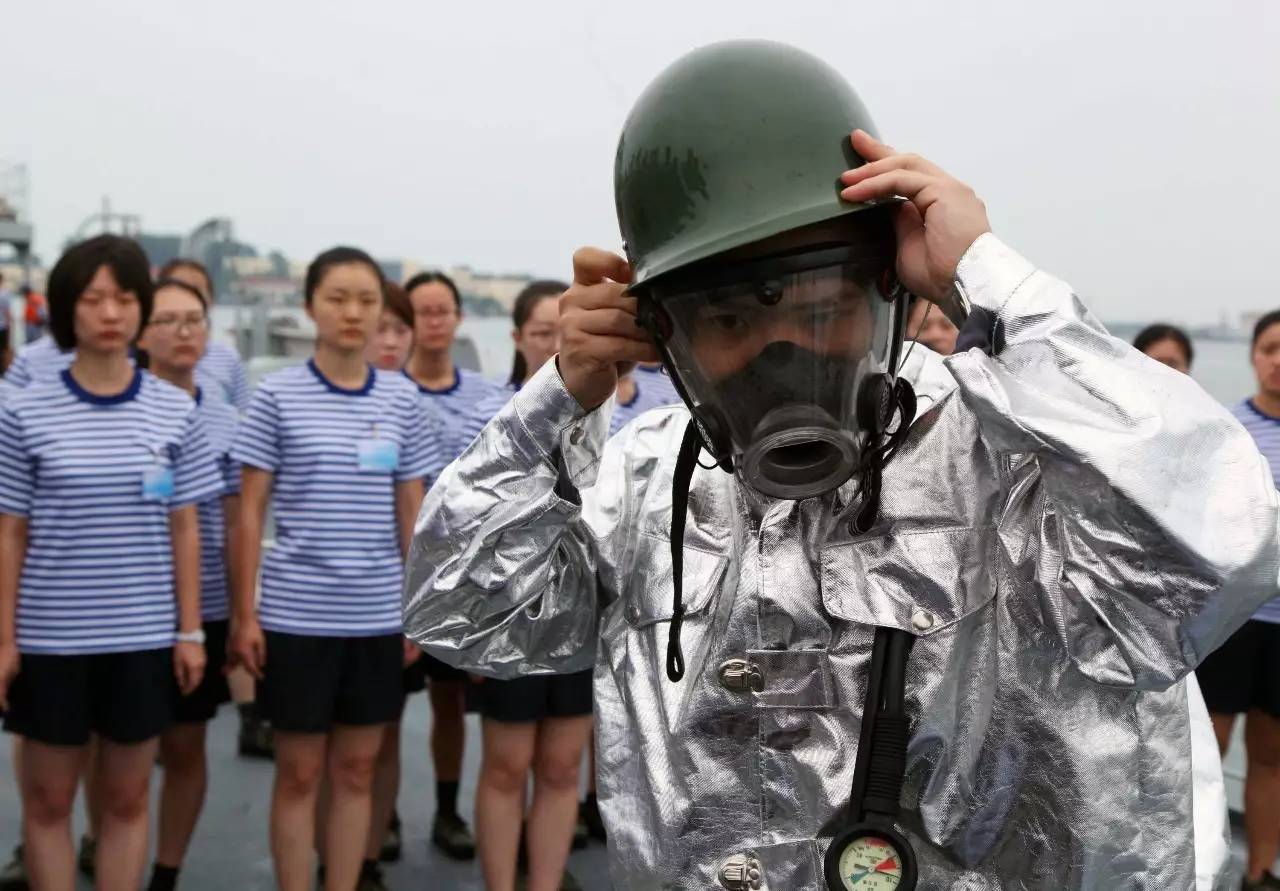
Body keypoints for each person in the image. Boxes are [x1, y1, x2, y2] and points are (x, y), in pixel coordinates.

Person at [404, 40, 1280, 891]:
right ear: (663, 333)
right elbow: (466, 610)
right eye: (730, 324)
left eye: (819, 309)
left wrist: (991, 282)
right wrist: (559, 397)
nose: (781, 354)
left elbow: (1215, 545)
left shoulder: (1011, 461)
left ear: (889, 288)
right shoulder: (641, 479)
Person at [0, 235, 222, 891]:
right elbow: (9, 531)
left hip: (143, 636)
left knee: (126, 802)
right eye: (93, 298)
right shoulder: (20, 408)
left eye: (124, 298)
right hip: (49, 639)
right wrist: (5, 637)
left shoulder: (176, 408)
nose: (109, 312)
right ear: (67, 310)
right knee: (48, 805)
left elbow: (186, 527)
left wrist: (189, 631)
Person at [227, 246, 442, 891]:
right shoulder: (275, 397)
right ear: (309, 307)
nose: (353, 313)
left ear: (381, 310)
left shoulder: (403, 402)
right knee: (297, 773)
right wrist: (245, 615)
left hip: (376, 616)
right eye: (337, 299)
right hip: (296, 616)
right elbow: (248, 514)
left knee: (356, 770)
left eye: (367, 300)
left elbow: (415, 516)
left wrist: (417, 613)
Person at [449, 279, 592, 891]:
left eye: (566, 333)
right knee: (506, 767)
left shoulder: (607, 418)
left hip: (585, 617)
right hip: (507, 618)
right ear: (518, 339)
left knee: (562, 768)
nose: (555, 344)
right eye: (542, 334)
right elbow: (463, 530)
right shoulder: (492, 417)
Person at [133, 277, 241, 891]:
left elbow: (235, 522)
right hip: (131, 601)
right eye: (167, 320)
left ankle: (165, 871)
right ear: (142, 332)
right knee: (116, 748)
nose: (182, 332)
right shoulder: (124, 402)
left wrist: (239, 617)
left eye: (193, 320)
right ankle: (104, 840)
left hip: (207, 607)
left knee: (184, 745)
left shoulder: (227, 416)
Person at [398, 270, 507, 862]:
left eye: (444, 311)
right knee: (382, 713)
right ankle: (382, 817)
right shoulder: (389, 390)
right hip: (394, 572)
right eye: (423, 312)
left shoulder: (484, 395)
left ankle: (445, 808)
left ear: (459, 318)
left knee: (449, 705)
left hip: (456, 577)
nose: (434, 322)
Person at [1194, 310, 1280, 890]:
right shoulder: (1228, 429)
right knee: (1207, 754)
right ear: (1254, 356)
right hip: (1231, 619)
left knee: (1272, 758)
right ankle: (1198, 871)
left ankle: (1259, 874)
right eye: (1271, 348)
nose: (1279, 360)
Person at [156, 259, 251, 412]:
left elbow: (244, 414)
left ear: (211, 300)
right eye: (179, 289)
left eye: (196, 291)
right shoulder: (144, 356)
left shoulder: (228, 358)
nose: (187, 298)